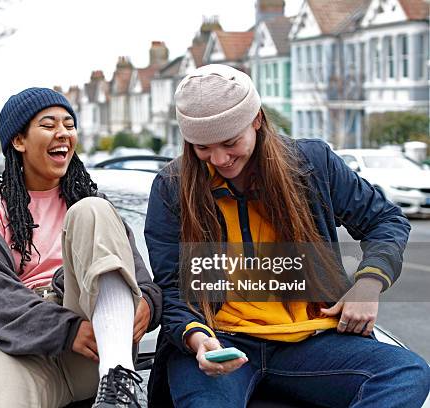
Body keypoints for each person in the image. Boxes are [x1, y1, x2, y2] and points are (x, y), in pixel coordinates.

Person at [144, 64, 430, 407]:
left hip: (311, 341)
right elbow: (173, 287)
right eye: (201, 147)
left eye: (230, 142)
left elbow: (385, 220)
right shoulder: (172, 187)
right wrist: (197, 339)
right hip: (219, 341)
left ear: (257, 120)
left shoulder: (312, 163)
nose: (218, 158)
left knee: (406, 372)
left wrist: (368, 283)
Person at [0, 88, 162, 408]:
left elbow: (142, 281)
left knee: (90, 210)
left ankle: (119, 382)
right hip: (25, 349)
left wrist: (147, 303)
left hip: (96, 349)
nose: (63, 133)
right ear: (19, 140)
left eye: (68, 124)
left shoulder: (93, 206)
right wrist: (67, 330)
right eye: (49, 125)